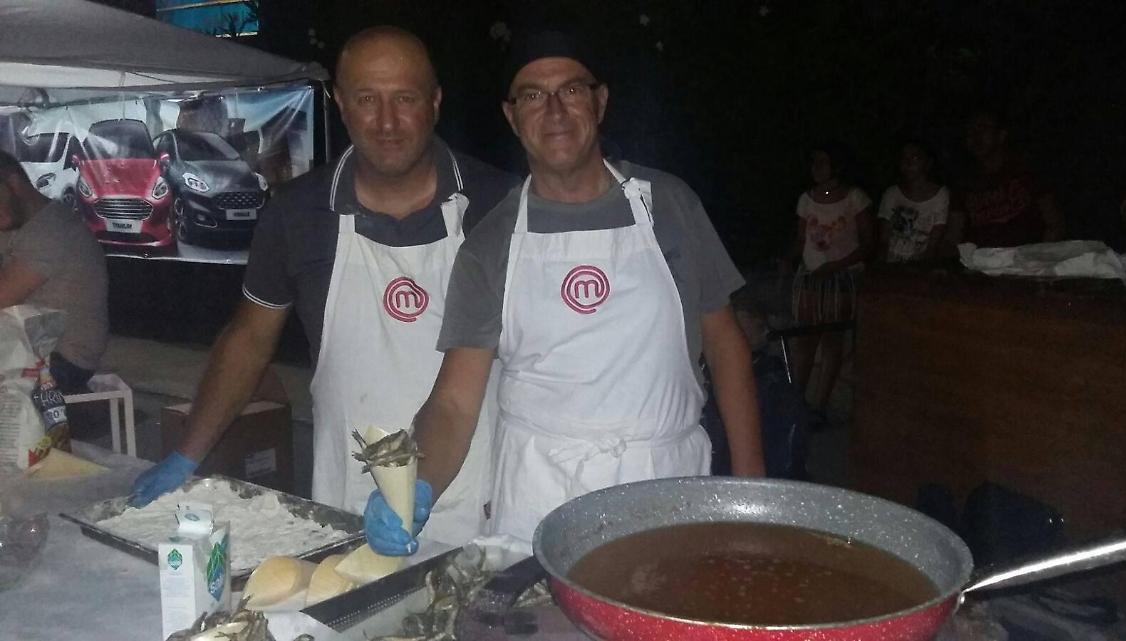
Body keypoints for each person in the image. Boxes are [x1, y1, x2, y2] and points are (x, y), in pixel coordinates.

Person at [363, 30, 766, 555]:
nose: (554, 110)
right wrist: (415, 485)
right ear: (512, 116)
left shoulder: (668, 205)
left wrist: (751, 495)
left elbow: (726, 345)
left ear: (600, 101)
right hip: (539, 500)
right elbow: (455, 403)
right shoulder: (491, 242)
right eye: (533, 95)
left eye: (571, 90)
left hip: (664, 490)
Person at [130, 27, 518, 551]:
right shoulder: (297, 214)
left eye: (404, 98)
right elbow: (249, 341)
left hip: (482, 494)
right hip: (349, 498)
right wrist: (187, 452)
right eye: (367, 99)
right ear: (339, 103)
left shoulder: (500, 205)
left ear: (435, 102)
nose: (387, 122)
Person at [0, 150, 108, 395]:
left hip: (62, 359)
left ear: (14, 184)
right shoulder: (17, 224)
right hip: (28, 347)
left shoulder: (52, 230)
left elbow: (3, 298)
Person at [784, 142, 873, 425]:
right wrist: (787, 260)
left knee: (832, 341)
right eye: (814, 162)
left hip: (842, 277)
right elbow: (801, 240)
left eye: (822, 162)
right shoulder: (806, 199)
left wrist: (835, 266)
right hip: (811, 277)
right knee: (805, 340)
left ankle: (819, 407)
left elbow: (868, 244)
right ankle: (796, 403)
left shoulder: (855, 198)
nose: (816, 168)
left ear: (836, 165)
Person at [945, 111, 1064, 250]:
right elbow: (954, 233)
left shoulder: (1025, 170)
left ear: (1001, 135)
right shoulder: (963, 182)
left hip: (1025, 257)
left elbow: (1054, 223)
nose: (975, 136)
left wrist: (1039, 256)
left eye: (983, 128)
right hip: (983, 259)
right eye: (970, 131)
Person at [877, 140, 949, 263]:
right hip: (892, 262)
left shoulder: (941, 194)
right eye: (904, 158)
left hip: (922, 264)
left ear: (928, 163)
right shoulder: (891, 193)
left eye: (915, 158)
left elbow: (934, 243)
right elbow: (884, 239)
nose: (908, 163)